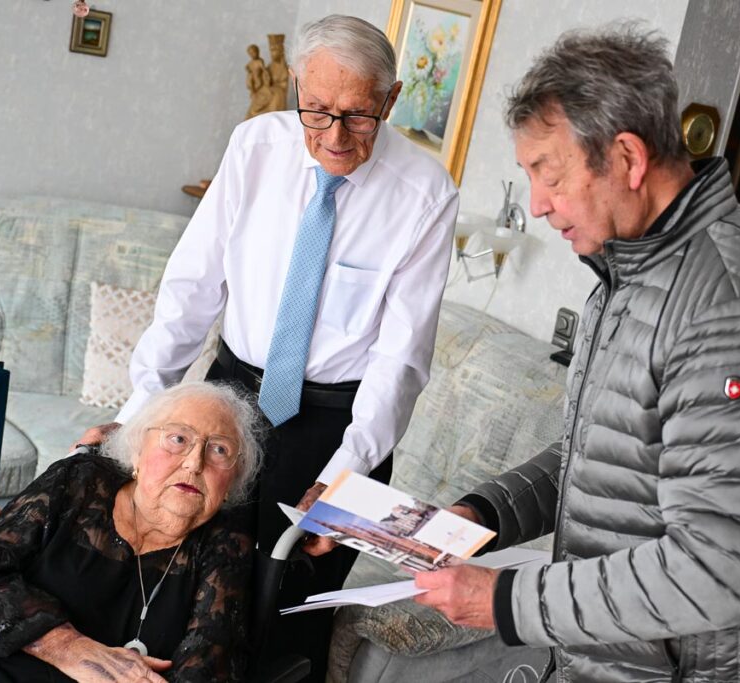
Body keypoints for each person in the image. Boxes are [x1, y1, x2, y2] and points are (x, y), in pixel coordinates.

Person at [412, 26, 740, 682]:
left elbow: (715, 571)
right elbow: (607, 451)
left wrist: (504, 599)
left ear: (628, 159)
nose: (537, 203)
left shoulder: (735, 307)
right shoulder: (631, 274)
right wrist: (487, 513)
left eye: (547, 173)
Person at [76, 14, 458, 679]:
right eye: (317, 111)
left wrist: (347, 474)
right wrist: (139, 415)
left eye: (359, 116)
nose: (334, 136)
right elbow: (191, 290)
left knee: (294, 620)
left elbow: (400, 359)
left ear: (392, 100)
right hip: (228, 401)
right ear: (295, 88)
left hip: (342, 425)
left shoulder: (427, 192)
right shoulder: (255, 146)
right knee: (183, 592)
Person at [0, 381, 263, 682]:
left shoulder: (225, 543)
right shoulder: (80, 482)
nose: (194, 463)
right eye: (178, 439)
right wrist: (68, 647)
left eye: (219, 450)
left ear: (233, 479)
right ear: (138, 449)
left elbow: (211, 665)